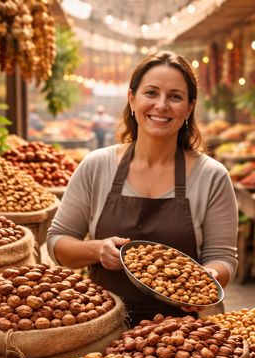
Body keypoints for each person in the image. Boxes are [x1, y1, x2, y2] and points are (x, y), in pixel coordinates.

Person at [47, 51, 238, 325]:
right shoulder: (96, 166)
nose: (161, 105)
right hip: (103, 332)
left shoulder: (211, 175)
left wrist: (205, 279)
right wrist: (97, 250)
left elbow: (223, 258)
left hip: (189, 338)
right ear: (132, 99)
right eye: (151, 93)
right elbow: (57, 242)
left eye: (175, 96)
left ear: (189, 107)